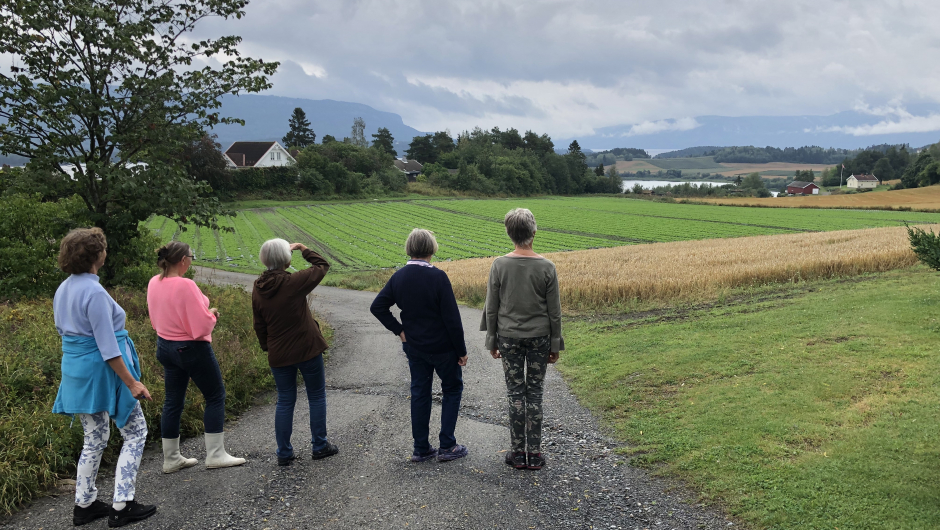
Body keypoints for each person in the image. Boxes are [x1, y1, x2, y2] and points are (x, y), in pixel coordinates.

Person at [51, 227, 157, 527]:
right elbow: (108, 347)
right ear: (97, 255)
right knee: (135, 432)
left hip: (75, 370)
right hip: (103, 371)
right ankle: (122, 504)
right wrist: (132, 382)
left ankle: (84, 505)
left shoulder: (64, 288)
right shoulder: (94, 292)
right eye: (103, 248)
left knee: (94, 437)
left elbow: (65, 332)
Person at [370, 228, 469, 463]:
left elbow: (377, 307)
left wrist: (400, 331)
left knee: (420, 393)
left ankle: (421, 448)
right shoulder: (438, 277)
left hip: (414, 347)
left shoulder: (399, 276)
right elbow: (452, 319)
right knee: (452, 389)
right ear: (432, 248)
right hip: (444, 348)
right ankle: (447, 445)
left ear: (409, 248)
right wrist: (462, 350)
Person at [147, 241, 246, 473]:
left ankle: (171, 459)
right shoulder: (186, 285)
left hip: (164, 346)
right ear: (182, 260)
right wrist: (211, 316)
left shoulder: (154, 282)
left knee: (173, 400)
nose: (191, 260)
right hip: (190, 348)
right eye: (191, 256)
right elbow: (200, 328)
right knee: (214, 394)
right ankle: (215, 454)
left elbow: (160, 316)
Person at [481, 208, 563, 471]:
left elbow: (491, 307)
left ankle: (517, 454)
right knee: (535, 393)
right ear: (534, 233)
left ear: (509, 233)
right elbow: (555, 311)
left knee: (515, 393)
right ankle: (535, 454)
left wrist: (491, 340)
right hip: (540, 338)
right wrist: (555, 343)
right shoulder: (547, 267)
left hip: (508, 337)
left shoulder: (499, 265)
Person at [252, 239, 337, 465]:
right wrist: (303, 249)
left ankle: (284, 452)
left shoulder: (258, 287)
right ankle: (320, 445)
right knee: (316, 395)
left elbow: (259, 324)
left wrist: (268, 347)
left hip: (278, 354)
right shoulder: (293, 282)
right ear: (286, 259)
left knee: (285, 400)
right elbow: (322, 265)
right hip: (307, 348)